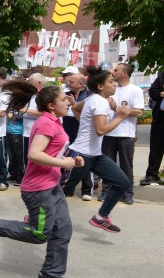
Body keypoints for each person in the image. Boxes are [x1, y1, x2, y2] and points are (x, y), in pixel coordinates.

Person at [0, 81, 84, 278]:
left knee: (63, 229)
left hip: (52, 185)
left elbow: (54, 149)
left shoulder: (55, 121)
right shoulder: (46, 123)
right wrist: (64, 163)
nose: (68, 101)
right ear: (52, 105)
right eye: (64, 99)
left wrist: (73, 157)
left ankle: (51, 272)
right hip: (39, 189)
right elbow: (34, 154)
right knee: (39, 234)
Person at [61, 66, 131, 233]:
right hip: (80, 155)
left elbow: (76, 108)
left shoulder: (94, 98)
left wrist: (85, 124)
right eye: (111, 82)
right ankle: (35, 216)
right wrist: (120, 117)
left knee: (122, 183)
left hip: (96, 156)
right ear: (101, 86)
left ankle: (101, 217)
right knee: (60, 190)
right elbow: (101, 130)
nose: (114, 85)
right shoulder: (99, 102)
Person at [100, 63, 144, 204]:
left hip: (125, 134)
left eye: (116, 70)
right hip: (108, 132)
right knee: (107, 165)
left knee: (126, 165)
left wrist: (117, 108)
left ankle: (127, 193)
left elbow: (139, 112)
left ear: (124, 73)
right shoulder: (111, 89)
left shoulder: (135, 90)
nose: (113, 72)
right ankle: (106, 191)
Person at [62, 72, 94, 200]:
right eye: (68, 81)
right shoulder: (65, 94)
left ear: (80, 84)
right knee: (67, 160)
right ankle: (68, 188)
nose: (68, 83)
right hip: (67, 131)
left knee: (83, 161)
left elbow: (88, 112)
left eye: (72, 81)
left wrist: (75, 103)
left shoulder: (88, 95)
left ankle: (86, 190)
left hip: (82, 133)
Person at [140, 72, 164, 186]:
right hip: (160, 117)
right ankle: (152, 175)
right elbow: (152, 91)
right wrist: (161, 94)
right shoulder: (162, 76)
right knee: (156, 147)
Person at [22, 73, 45, 168]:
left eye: (31, 84)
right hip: (27, 134)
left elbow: (42, 113)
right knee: (27, 161)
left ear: (39, 83)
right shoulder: (30, 96)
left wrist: (24, 110)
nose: (28, 87)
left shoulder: (45, 96)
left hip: (39, 135)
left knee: (36, 162)